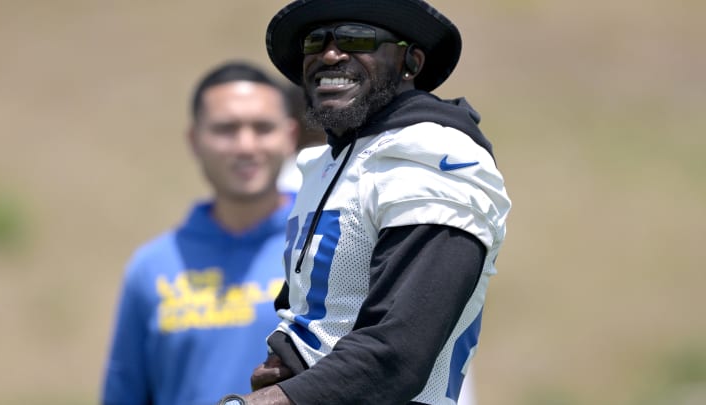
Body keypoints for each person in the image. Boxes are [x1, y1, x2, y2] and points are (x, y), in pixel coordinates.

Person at [215, 1, 512, 405]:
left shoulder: (432, 157)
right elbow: (322, 314)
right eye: (315, 41)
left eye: (357, 38)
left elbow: (397, 355)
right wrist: (288, 355)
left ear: (411, 61)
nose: (330, 54)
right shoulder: (327, 162)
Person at [101, 61, 301, 405]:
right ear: (195, 140)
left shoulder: (329, 243)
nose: (246, 146)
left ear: (290, 137)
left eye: (263, 128)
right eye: (226, 129)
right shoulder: (152, 267)